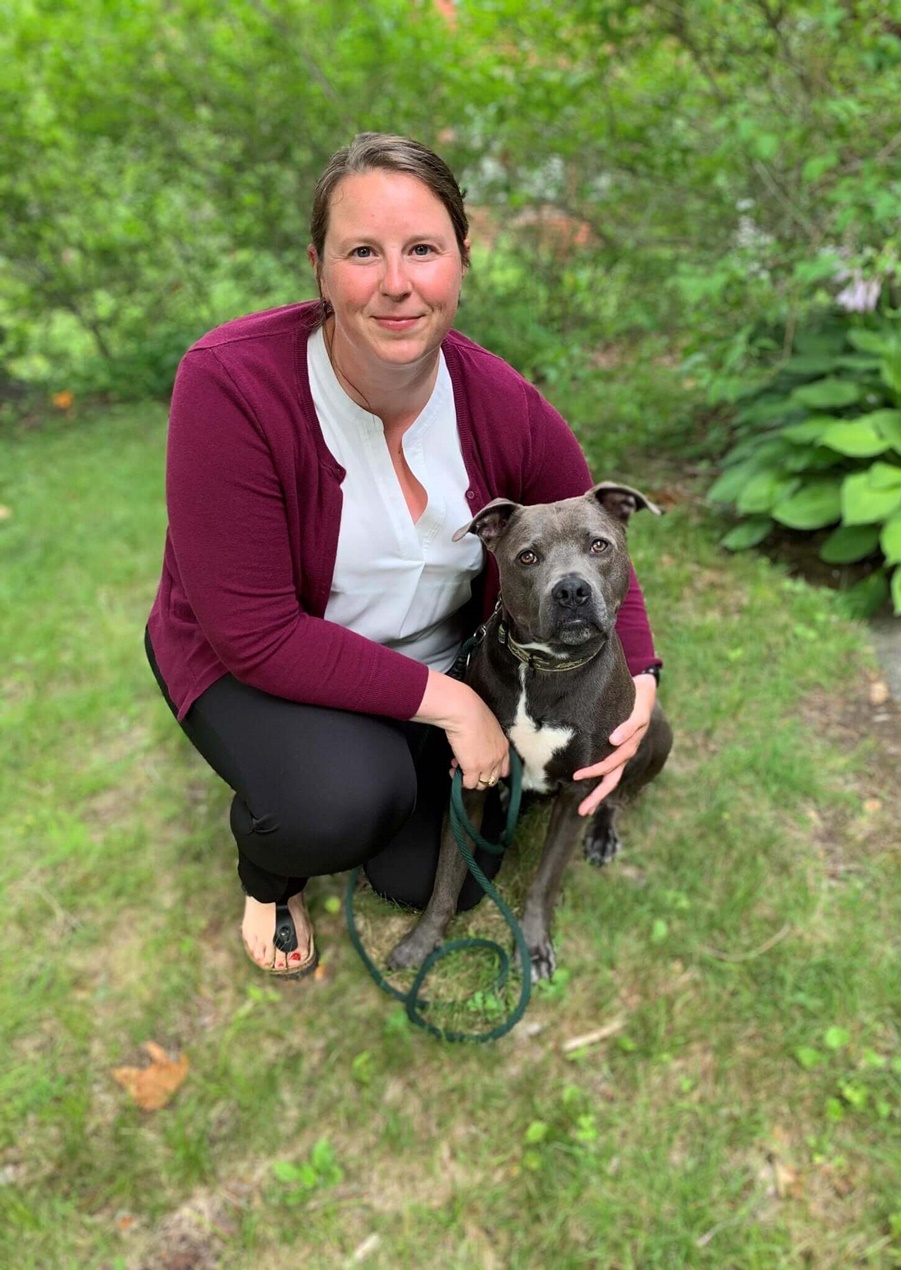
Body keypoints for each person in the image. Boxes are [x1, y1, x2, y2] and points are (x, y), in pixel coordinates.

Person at [145, 132, 662, 978]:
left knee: (431, 878)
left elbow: (596, 545)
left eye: (422, 248)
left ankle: (363, 773)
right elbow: (254, 632)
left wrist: (638, 676)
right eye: (362, 252)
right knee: (337, 805)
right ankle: (269, 868)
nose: (396, 283)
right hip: (252, 659)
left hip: (427, 665)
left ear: (460, 259)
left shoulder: (501, 403)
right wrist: (457, 709)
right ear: (318, 267)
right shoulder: (231, 384)